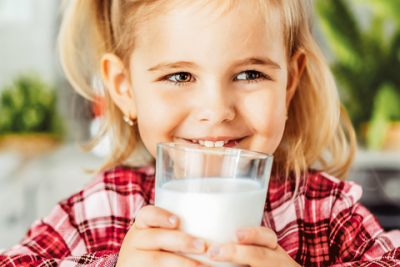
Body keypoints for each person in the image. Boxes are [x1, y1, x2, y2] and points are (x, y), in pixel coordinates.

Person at [1, 0, 400, 266]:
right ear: (124, 89)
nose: (216, 111)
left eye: (249, 74)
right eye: (179, 75)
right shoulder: (101, 210)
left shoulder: (323, 211)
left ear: (289, 83)